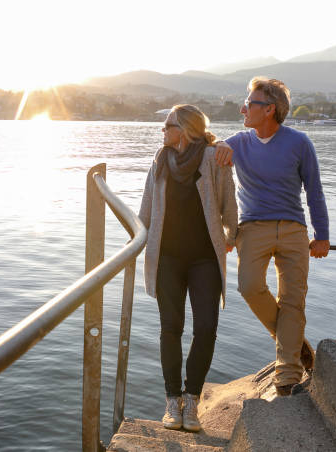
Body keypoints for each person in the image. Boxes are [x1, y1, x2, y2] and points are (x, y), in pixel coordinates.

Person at [214, 77, 329, 396]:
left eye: (250, 103)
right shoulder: (237, 142)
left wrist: (322, 235)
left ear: (270, 110)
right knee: (249, 286)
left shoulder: (300, 142)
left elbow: (315, 191)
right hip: (251, 229)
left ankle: (287, 376)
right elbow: (208, 151)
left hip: (294, 229)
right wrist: (218, 144)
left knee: (294, 300)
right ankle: (295, 344)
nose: (243, 108)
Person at [139, 104, 238, 431]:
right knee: (171, 326)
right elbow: (146, 208)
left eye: (168, 125)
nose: (162, 131)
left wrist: (232, 235)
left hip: (205, 258)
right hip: (167, 256)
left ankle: (192, 400)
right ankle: (172, 402)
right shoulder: (160, 159)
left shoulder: (213, 157)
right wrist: (136, 240)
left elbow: (228, 202)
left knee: (206, 327)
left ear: (186, 129)